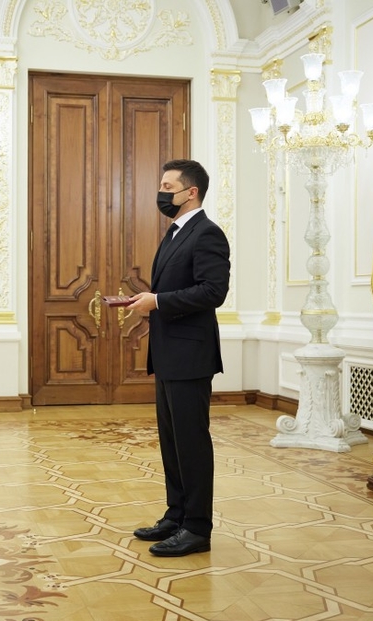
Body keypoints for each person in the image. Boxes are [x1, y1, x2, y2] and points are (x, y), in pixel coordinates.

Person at [127, 158, 231, 557]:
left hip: (191, 356)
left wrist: (157, 302)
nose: (161, 193)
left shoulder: (208, 233)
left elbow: (213, 292)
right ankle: (176, 516)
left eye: (168, 187)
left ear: (191, 192)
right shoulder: (175, 233)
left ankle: (197, 529)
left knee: (191, 444)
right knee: (172, 443)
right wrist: (151, 301)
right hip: (169, 354)